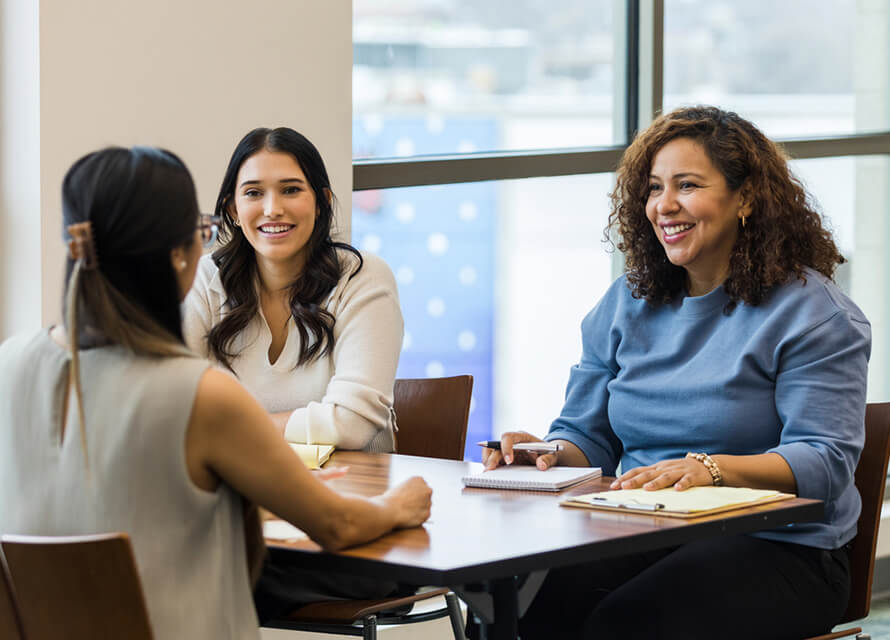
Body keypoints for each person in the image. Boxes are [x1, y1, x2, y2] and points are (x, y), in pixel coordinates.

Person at [0, 147, 431, 640]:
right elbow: (337, 526)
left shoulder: (9, 362)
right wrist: (399, 504)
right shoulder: (197, 394)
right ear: (182, 252)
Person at [483, 106, 871, 640]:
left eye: (687, 186)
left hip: (783, 550)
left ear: (747, 198)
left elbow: (825, 460)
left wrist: (711, 468)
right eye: (654, 188)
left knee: (627, 624)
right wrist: (545, 453)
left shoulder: (812, 313)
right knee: (518, 606)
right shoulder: (626, 301)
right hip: (645, 531)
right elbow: (587, 437)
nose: (664, 206)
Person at [183, 127, 401, 452]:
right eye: (254, 193)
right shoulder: (205, 278)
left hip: (354, 489)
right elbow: (174, 407)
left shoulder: (362, 277)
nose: (272, 208)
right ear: (233, 210)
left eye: (291, 190)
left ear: (321, 202)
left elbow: (352, 425)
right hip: (241, 487)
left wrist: (229, 431)